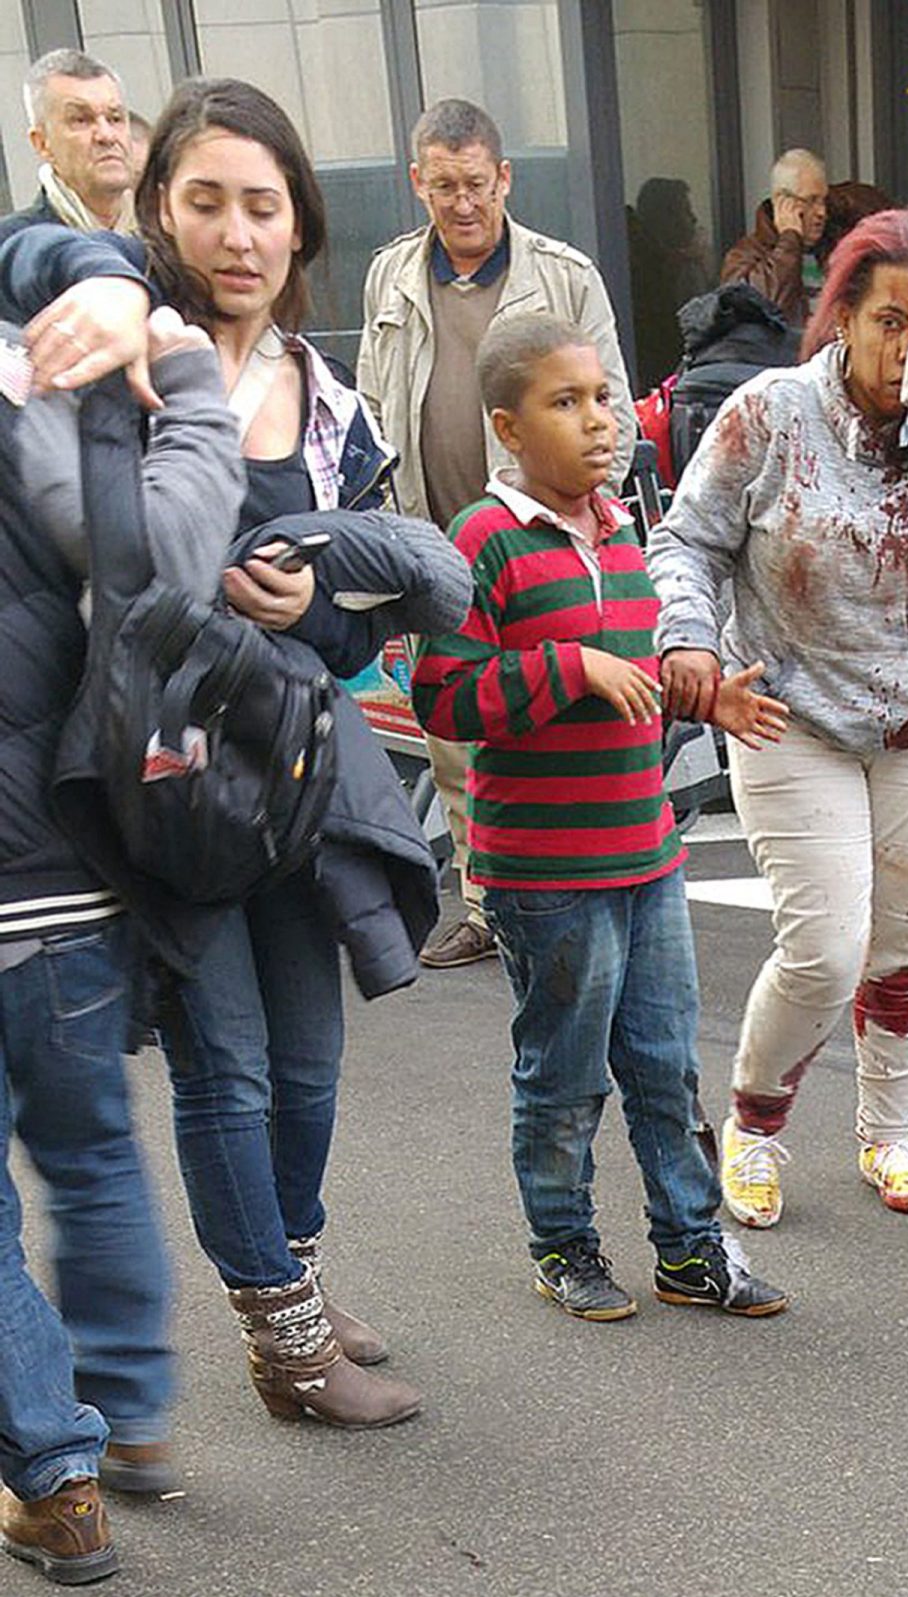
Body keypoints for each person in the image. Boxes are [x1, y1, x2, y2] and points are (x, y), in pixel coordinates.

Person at [651, 209, 908, 1228]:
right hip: (793, 719)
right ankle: (754, 1124)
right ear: (841, 320)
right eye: (887, 321)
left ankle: (888, 1132)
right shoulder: (772, 412)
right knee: (827, 950)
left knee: (905, 952)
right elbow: (687, 539)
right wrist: (688, 639)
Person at [137, 76, 430, 1430]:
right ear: (159, 214)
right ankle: (283, 1331)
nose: (238, 233)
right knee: (229, 1067)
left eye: (264, 205)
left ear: (300, 227)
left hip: (298, 777)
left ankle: (295, 1274)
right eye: (208, 202)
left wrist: (303, 607)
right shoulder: (117, 383)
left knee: (309, 1065)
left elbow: (363, 639)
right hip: (172, 786)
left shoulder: (335, 410)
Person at [412, 312, 790, 1321]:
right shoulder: (482, 542)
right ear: (507, 426)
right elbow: (444, 697)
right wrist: (569, 667)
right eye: (565, 403)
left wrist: (700, 694)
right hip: (546, 869)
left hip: (643, 850)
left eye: (604, 399)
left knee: (667, 1067)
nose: (598, 423)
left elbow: (636, 676)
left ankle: (689, 1248)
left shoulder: (624, 532)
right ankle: (563, 1245)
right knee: (566, 1076)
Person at [0, 235, 236, 1575]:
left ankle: (53, 1468)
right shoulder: (27, 378)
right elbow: (152, 555)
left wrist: (94, 265)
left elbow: (42, 241)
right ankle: (131, 1418)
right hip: (52, 871)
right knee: (92, 1155)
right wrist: (186, 368)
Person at [359, 97, 636, 970]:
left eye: (476, 183)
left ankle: (575, 885)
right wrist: (387, 548)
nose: (462, 203)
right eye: (443, 186)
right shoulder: (391, 277)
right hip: (435, 542)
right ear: (419, 184)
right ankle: (487, 899)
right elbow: (372, 415)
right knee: (453, 730)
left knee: (549, 712)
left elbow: (615, 413)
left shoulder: (564, 275)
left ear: (504, 178)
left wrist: (586, 524)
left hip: (544, 537)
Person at [0, 50, 135, 244]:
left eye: (115, 118)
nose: (106, 135)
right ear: (42, 143)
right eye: (81, 120)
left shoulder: (167, 234)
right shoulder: (13, 247)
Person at [720, 148, 830, 326]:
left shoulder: (831, 245)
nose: (822, 212)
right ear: (782, 203)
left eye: (824, 200)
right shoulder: (745, 255)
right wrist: (789, 240)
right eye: (811, 200)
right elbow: (759, 310)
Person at [627, 175, 711, 390]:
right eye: (685, 211)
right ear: (665, 217)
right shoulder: (642, 274)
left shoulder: (681, 263)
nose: (693, 219)